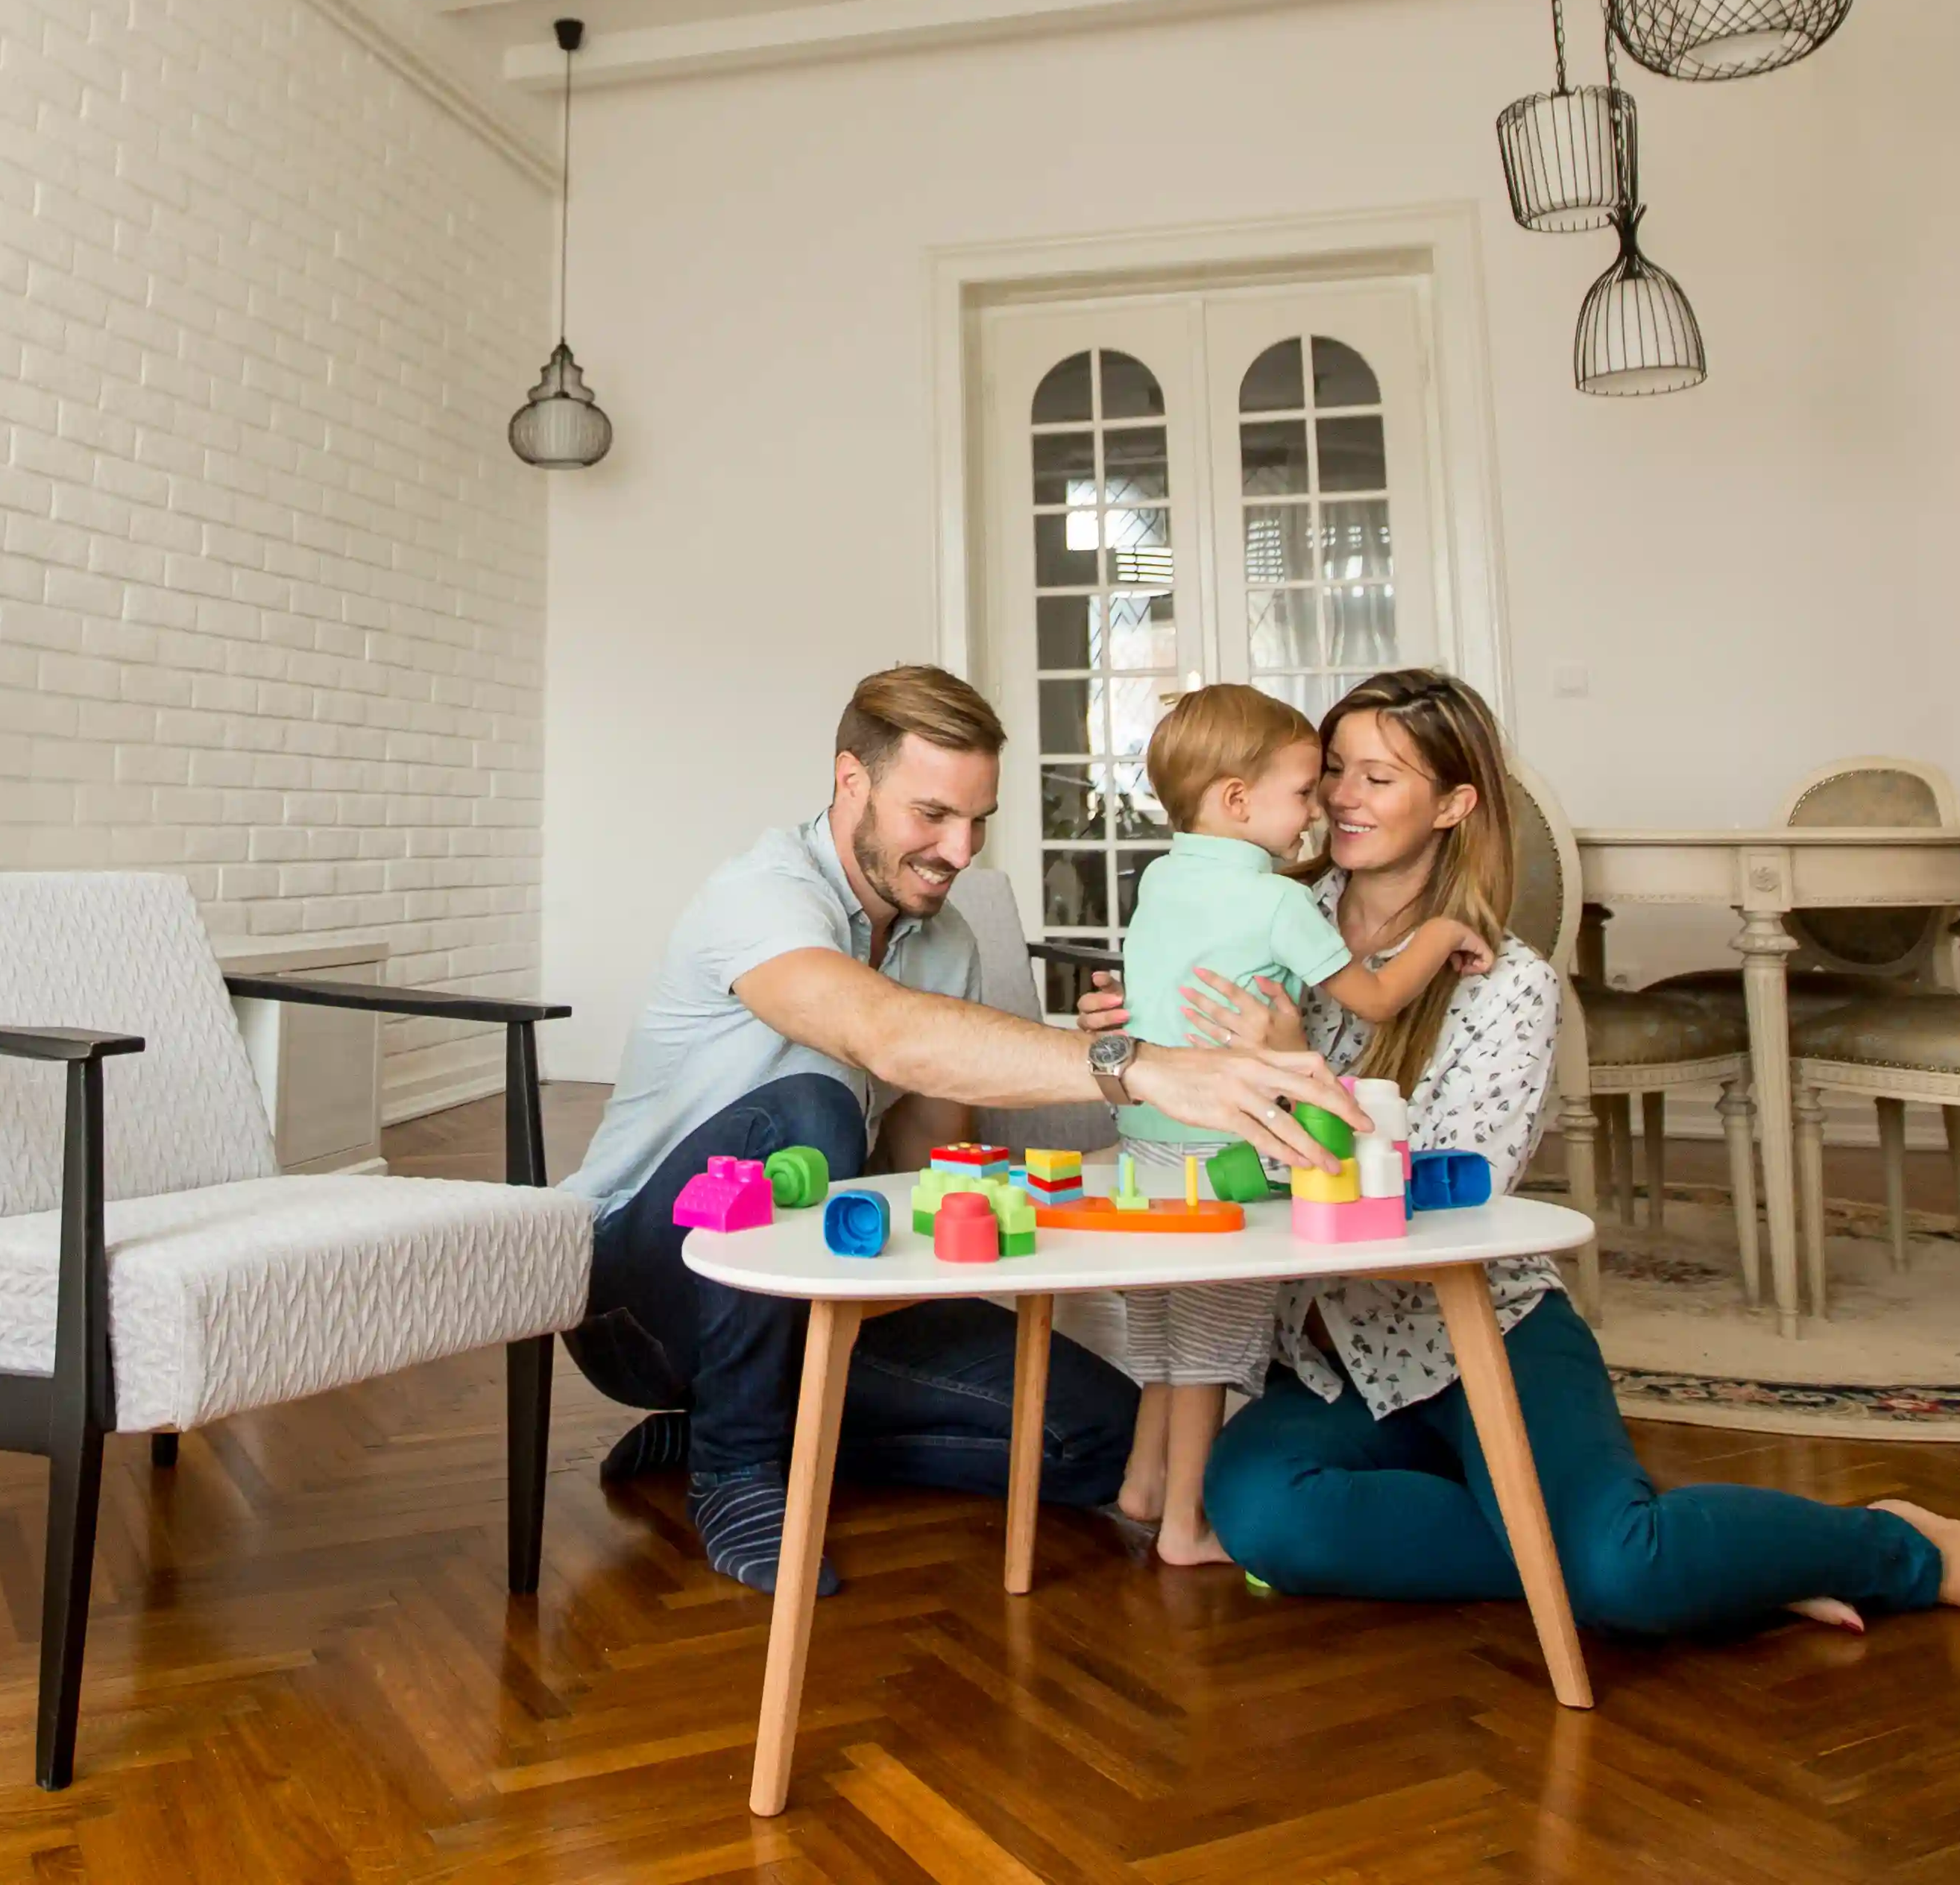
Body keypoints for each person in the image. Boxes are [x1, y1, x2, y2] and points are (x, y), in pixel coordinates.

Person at [1085, 669, 1960, 1644]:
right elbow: (1177, 1096)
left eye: (1377, 776)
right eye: (1330, 773)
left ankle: (1897, 1547)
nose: (1341, 799)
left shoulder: (1509, 986)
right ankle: (1697, 1559)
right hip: (1326, 1361)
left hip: (1475, 1333)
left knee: (1621, 1575)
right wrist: (1140, 1040)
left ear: (1454, 805)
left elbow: (1447, 1210)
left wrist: (1291, 1070)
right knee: (1268, 1520)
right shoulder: (1257, 921)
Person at [561, 664, 1364, 1597]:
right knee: (810, 1108)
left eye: (978, 821)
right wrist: (1134, 1067)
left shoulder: (945, 942)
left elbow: (931, 1163)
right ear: (850, 781)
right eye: (932, 814)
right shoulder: (760, 895)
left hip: (812, 1270)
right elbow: (882, 1035)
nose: (960, 849)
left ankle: (741, 1414)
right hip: (642, 1291)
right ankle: (737, 1466)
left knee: (1093, 1439)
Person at [1105, 683, 1489, 1565]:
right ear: (1239, 802)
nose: (1320, 810)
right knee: (1207, 1348)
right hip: (1224, 1150)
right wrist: (1442, 934)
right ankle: (1185, 1528)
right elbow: (1382, 994)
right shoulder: (1279, 904)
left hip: (1148, 1140)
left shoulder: (1162, 877)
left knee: (1164, 1335)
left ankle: (1140, 1481)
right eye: (1305, 791)